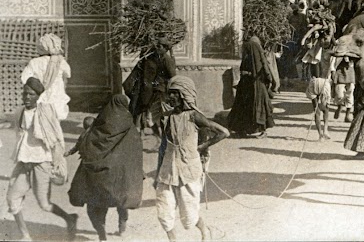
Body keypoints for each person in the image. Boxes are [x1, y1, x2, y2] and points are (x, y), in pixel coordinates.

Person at [0, 77, 78, 241]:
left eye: (30, 94)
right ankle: (25, 235)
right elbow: (7, 121)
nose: (26, 97)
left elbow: (56, 137)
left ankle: (69, 219)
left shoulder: (46, 112)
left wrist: (57, 159)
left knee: (44, 204)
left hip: (42, 163)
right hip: (23, 162)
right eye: (24, 94)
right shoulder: (20, 112)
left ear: (38, 96)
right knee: (12, 199)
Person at [156, 76, 228, 241]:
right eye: (170, 93)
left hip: (188, 169)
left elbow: (224, 132)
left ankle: (205, 231)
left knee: (189, 214)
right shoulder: (166, 117)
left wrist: (202, 147)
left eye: (175, 93)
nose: (170, 97)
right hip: (167, 170)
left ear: (184, 94)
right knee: (164, 210)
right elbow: (163, 146)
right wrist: (158, 171)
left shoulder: (194, 116)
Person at [68, 94, 143, 240]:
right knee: (121, 201)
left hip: (99, 176)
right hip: (120, 177)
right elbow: (135, 152)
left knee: (95, 205)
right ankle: (122, 228)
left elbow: (87, 145)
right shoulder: (130, 127)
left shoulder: (99, 126)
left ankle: (101, 234)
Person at [125, 36, 177, 135]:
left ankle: (160, 133)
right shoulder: (152, 57)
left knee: (156, 112)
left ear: (165, 48)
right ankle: (140, 130)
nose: (158, 48)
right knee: (140, 106)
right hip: (148, 87)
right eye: (157, 46)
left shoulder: (167, 59)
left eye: (160, 46)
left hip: (159, 90)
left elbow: (172, 76)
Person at [227, 35, 274, 137]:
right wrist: (269, 80)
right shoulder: (258, 54)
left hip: (247, 84)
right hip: (256, 83)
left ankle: (247, 130)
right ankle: (254, 130)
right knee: (257, 106)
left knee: (245, 106)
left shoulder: (247, 53)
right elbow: (265, 68)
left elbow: (243, 69)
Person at [21, 33, 71, 121]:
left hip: (41, 93)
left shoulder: (34, 62)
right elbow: (68, 74)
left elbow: (24, 78)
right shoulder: (60, 61)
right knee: (55, 119)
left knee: (40, 119)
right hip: (56, 93)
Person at [332, 53, 355, 123]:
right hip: (340, 74)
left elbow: (352, 64)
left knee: (350, 95)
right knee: (339, 94)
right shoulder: (338, 54)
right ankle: (339, 107)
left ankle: (347, 116)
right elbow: (333, 64)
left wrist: (348, 60)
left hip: (350, 75)